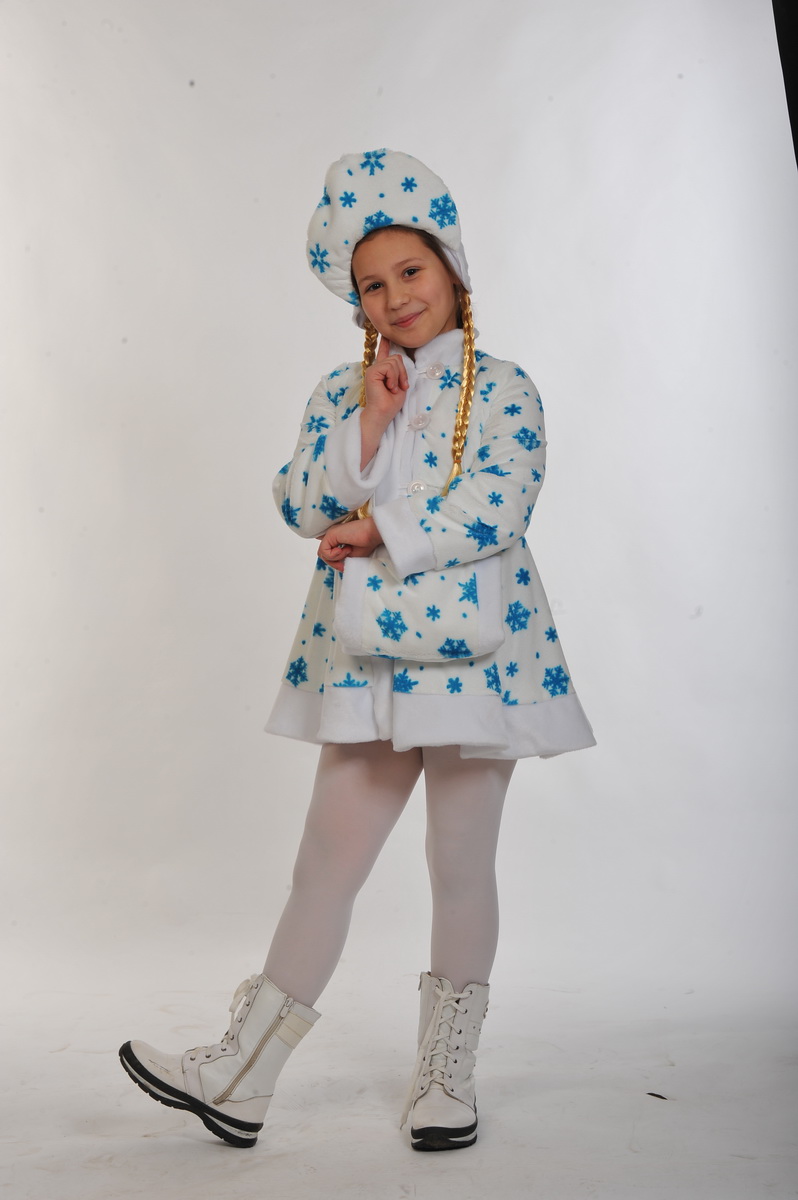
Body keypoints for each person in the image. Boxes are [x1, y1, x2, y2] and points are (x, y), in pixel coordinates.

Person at [118, 149, 595, 1153]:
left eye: (410, 271)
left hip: (479, 664)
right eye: (372, 285)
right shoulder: (345, 391)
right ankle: (242, 1074)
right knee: (325, 864)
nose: (395, 296)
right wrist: (370, 423)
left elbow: (499, 504)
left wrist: (382, 528)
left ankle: (446, 1078)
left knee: (460, 863)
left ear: (452, 268)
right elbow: (300, 503)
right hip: (371, 665)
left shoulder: (504, 389)